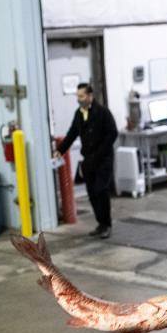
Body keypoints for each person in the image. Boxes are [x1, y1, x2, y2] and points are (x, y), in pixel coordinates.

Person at [54, 83, 119, 239]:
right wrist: (60, 150)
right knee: (92, 193)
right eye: (77, 96)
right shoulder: (79, 114)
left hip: (103, 159)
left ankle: (107, 224)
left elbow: (112, 134)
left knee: (101, 190)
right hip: (88, 160)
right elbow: (72, 133)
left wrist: (100, 151)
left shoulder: (103, 112)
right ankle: (100, 223)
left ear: (90, 96)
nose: (79, 99)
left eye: (82, 96)